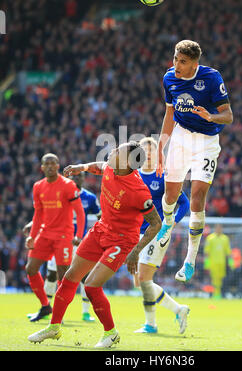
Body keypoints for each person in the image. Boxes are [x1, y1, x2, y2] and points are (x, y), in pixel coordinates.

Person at [28, 142, 162, 348]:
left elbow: (156, 223)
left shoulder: (139, 191)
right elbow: (99, 166)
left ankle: (111, 334)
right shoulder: (111, 167)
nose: (113, 152)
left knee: (91, 286)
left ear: (127, 161)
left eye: (118, 151)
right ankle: (54, 327)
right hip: (100, 230)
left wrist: (136, 251)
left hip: (122, 240)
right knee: (70, 278)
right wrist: (80, 167)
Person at [156, 39, 233, 282]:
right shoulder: (169, 78)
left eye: (183, 61)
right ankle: (167, 223)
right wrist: (160, 146)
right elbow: (170, 113)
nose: (177, 65)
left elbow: (228, 116)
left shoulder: (211, 78)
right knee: (170, 195)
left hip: (207, 143)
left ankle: (189, 261)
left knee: (197, 198)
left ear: (195, 64)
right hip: (180, 137)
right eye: (175, 59)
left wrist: (210, 116)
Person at [134, 137, 190, 334]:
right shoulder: (133, 175)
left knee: (143, 278)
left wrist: (171, 222)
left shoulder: (163, 176)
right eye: (144, 150)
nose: (148, 154)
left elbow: (185, 204)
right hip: (136, 234)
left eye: (151, 150)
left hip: (156, 233)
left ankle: (151, 324)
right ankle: (178, 309)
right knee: (140, 281)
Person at [25, 153, 85, 322]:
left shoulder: (67, 185)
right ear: (42, 167)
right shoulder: (38, 186)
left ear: (58, 166)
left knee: (62, 275)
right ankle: (45, 306)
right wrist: (32, 236)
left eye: (53, 163)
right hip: (44, 234)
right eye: (47, 164)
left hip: (63, 235)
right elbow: (38, 214)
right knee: (30, 269)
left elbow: (79, 212)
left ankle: (59, 314)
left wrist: (78, 235)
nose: (50, 166)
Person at [35, 172, 101, 322]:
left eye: (80, 176)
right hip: (59, 239)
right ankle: (47, 308)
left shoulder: (89, 197)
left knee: (84, 276)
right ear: (70, 179)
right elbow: (47, 213)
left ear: (84, 179)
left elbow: (100, 217)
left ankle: (85, 312)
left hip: (79, 243)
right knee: (53, 274)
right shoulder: (61, 193)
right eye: (74, 177)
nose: (77, 179)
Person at [204, 224, 233, 299]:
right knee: (214, 278)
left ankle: (218, 293)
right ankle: (216, 294)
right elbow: (207, 252)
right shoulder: (210, 238)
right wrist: (207, 264)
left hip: (222, 262)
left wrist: (230, 263)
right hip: (213, 262)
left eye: (220, 228)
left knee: (220, 278)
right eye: (217, 228)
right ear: (215, 228)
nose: (219, 229)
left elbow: (228, 252)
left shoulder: (225, 238)